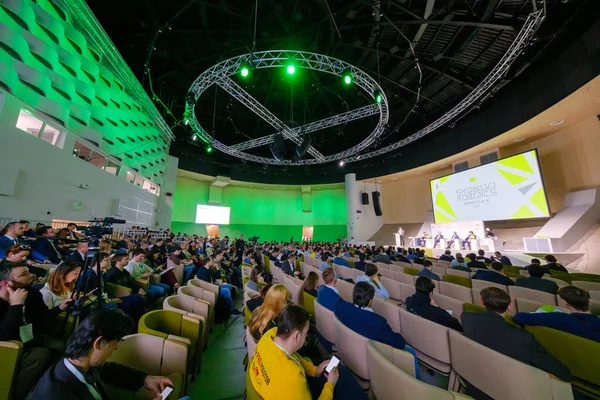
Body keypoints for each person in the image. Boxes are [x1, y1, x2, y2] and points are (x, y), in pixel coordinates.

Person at [27, 309, 175, 400]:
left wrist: (145, 379)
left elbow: (110, 369)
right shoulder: (56, 393)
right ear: (98, 343)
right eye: (115, 342)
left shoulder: (81, 364)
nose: (116, 347)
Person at [461, 287, 572, 399]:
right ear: (509, 307)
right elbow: (561, 372)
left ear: (481, 302)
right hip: (509, 391)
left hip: (475, 382)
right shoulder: (523, 337)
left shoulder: (467, 318)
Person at [249, 305, 368, 400]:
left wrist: (314, 370)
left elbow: (293, 356)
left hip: (280, 387)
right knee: (342, 376)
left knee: (338, 369)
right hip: (294, 390)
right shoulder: (292, 378)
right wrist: (330, 385)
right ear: (296, 335)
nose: (307, 335)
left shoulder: (270, 335)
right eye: (306, 332)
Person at [0, 262, 68, 399]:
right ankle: (14, 396)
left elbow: (42, 317)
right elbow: (4, 336)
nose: (32, 276)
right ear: (5, 283)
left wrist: (59, 308)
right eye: (24, 274)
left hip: (30, 337)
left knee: (62, 347)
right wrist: (15, 306)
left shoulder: (33, 293)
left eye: (28, 271)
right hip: (9, 346)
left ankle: (43, 388)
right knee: (41, 355)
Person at [335, 282, 420, 379]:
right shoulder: (377, 322)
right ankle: (418, 381)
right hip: (373, 354)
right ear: (370, 301)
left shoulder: (341, 307)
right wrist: (401, 337)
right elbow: (398, 343)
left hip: (348, 350)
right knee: (411, 351)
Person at [514, 286, 600, 342]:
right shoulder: (596, 321)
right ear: (590, 302)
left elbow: (519, 316)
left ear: (564, 302)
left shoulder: (558, 318)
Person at [77, 253, 145, 322]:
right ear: (97, 263)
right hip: (96, 304)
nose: (109, 262)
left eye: (109, 260)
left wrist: (110, 299)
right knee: (127, 306)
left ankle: (139, 323)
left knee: (138, 298)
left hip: (106, 298)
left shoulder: (102, 274)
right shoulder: (88, 275)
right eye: (106, 260)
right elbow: (87, 296)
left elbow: (104, 290)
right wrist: (109, 300)